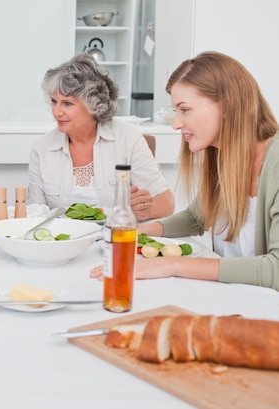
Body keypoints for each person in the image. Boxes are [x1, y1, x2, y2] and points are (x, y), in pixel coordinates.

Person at [91, 51, 279, 290]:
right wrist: (138, 232)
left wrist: (173, 265)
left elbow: (276, 268)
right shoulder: (225, 157)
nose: (176, 123)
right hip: (234, 299)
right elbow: (195, 218)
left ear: (228, 106)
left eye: (185, 110)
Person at [28, 53, 175, 222]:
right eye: (54, 101)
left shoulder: (128, 138)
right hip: (61, 243)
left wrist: (146, 210)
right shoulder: (41, 148)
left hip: (114, 239)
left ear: (93, 104)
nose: (56, 112)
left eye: (67, 103)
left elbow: (167, 202)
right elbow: (35, 214)